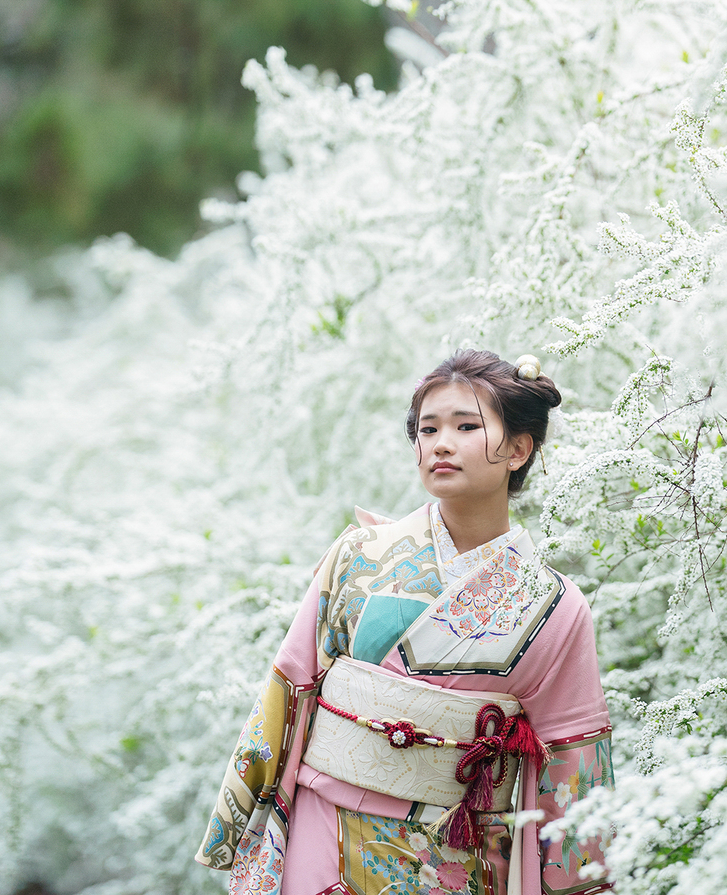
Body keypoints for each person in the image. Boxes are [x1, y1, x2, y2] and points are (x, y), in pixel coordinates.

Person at [195, 350, 614, 895]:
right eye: (427, 428)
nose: (440, 442)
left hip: (457, 849)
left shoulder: (557, 608)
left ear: (517, 449)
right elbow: (290, 687)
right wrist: (247, 814)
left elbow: (572, 756)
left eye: (466, 426)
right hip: (326, 829)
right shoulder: (359, 556)